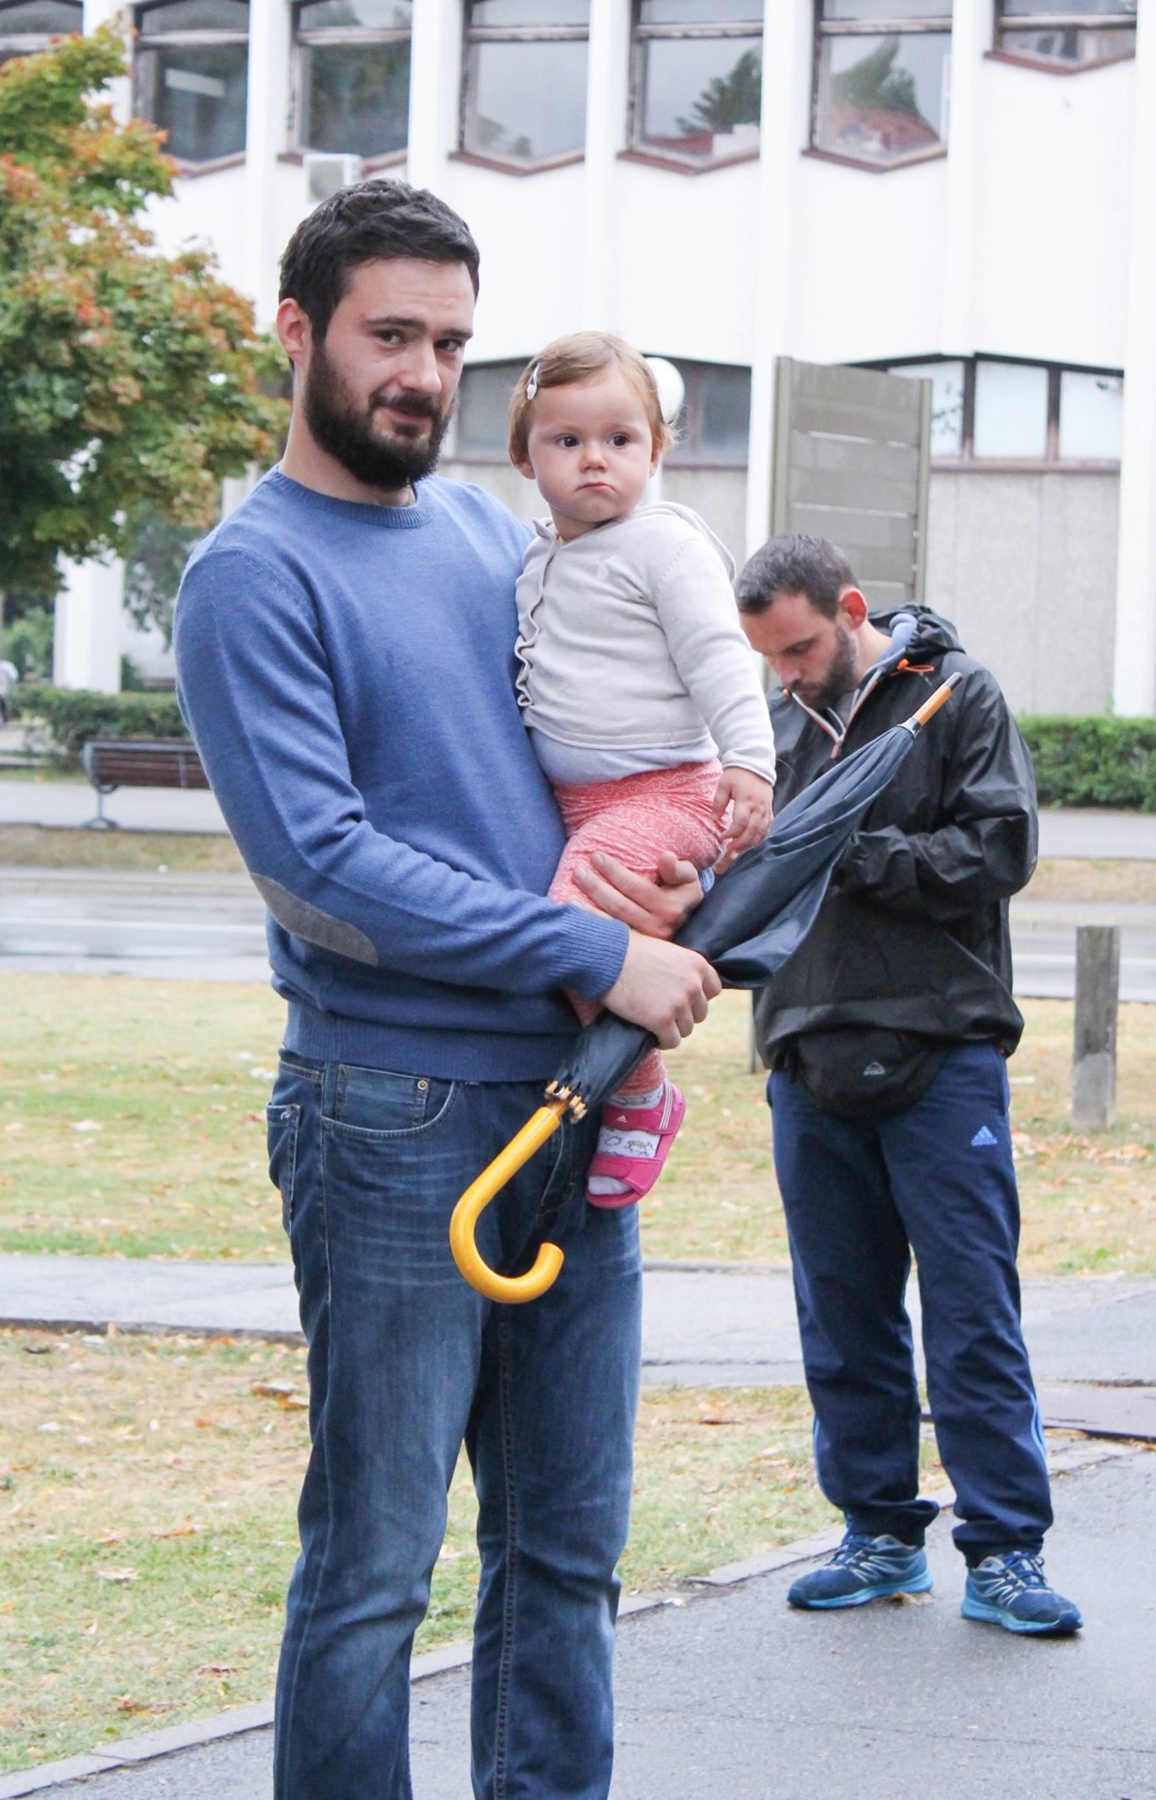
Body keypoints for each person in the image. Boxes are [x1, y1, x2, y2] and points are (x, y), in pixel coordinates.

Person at [173, 179, 720, 1800]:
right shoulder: (251, 574)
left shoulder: (498, 536)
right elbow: (322, 868)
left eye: (453, 345)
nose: (423, 375)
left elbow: (589, 763)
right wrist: (594, 950)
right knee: (377, 1567)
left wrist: (662, 868)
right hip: (394, 1114)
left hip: (574, 1103)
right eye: (391, 335)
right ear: (299, 332)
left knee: (566, 1551)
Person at [734, 533, 1082, 1639]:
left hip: (944, 1051)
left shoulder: (958, 697)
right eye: (769, 659)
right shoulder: (777, 723)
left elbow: (1002, 850)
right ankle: (878, 1533)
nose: (787, 674)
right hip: (807, 1052)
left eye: (798, 649)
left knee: (972, 1313)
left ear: (850, 610)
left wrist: (851, 854)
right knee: (842, 1318)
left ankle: (1007, 1552)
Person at [508, 331, 775, 1205]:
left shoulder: (664, 545)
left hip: (665, 791)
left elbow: (720, 657)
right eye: (568, 440)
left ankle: (642, 1092)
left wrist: (751, 762)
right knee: (576, 934)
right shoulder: (538, 557)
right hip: (582, 802)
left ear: (655, 452)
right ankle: (623, 1084)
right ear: (525, 457)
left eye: (620, 439)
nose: (596, 459)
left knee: (571, 926)